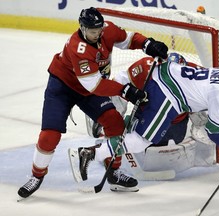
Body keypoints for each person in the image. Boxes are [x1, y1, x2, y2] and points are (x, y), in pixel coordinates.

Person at [17, 7, 168, 198]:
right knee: (50, 135)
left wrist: (148, 44)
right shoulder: (77, 47)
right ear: (82, 27)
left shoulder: (107, 29)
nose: (97, 34)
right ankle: (36, 176)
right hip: (63, 88)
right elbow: (94, 85)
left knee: (115, 123)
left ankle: (114, 172)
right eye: (92, 31)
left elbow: (129, 39)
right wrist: (125, 91)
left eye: (99, 30)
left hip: (91, 87)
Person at [68, 59, 219, 182]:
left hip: (165, 77)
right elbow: (213, 129)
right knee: (139, 142)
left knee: (141, 137)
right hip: (169, 94)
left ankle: (96, 149)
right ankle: (89, 153)